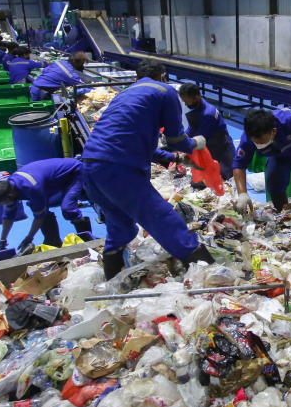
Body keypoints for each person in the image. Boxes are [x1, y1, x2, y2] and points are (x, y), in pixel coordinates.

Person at [81, 58, 212, 280]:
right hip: (118, 170)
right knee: (162, 218)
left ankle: (113, 282)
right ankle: (209, 272)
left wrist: (176, 158)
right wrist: (194, 144)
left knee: (120, 227)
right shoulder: (165, 91)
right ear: (162, 75)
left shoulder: (124, 94)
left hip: (90, 167)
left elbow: (133, 142)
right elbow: (176, 138)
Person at [0, 158, 91, 253]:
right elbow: (8, 216)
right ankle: (53, 241)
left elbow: (39, 216)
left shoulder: (31, 188)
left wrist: (29, 238)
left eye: (1, 202)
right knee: (35, 205)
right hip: (50, 181)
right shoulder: (9, 188)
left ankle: (87, 238)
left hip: (73, 172)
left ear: (9, 195)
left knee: (68, 209)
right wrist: (2, 240)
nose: (2, 205)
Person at [157, 82, 235, 182]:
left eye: (187, 102)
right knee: (211, 177)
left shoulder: (208, 114)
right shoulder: (198, 108)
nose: (186, 104)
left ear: (196, 97)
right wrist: (183, 136)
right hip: (209, 146)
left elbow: (199, 138)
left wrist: (181, 146)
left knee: (226, 179)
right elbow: (191, 129)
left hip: (221, 150)